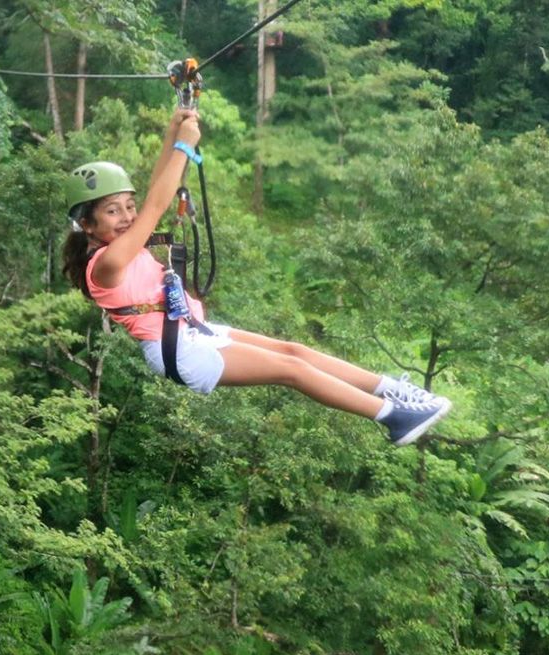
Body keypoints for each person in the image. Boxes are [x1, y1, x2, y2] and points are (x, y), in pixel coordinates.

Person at [62, 108, 451, 446]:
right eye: (113, 212)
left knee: (294, 351)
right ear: (87, 225)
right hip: (180, 351)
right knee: (292, 371)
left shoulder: (118, 243)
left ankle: (397, 392)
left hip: (192, 330)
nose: (127, 217)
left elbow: (152, 194)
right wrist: (183, 146)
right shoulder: (106, 265)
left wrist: (173, 129)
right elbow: (156, 203)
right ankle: (394, 418)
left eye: (128, 207)